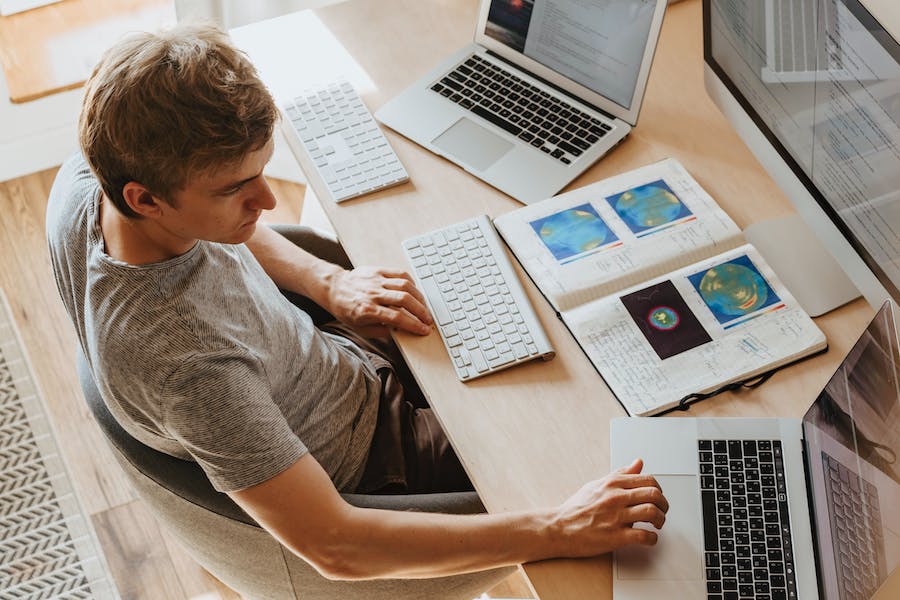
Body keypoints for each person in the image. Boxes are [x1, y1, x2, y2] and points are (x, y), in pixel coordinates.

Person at [47, 23, 669, 581]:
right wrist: (557, 530)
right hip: (377, 459)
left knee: (542, 305)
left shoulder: (94, 177)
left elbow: (231, 227)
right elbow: (336, 546)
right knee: (607, 441)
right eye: (236, 189)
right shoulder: (185, 364)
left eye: (263, 171)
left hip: (330, 360)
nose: (266, 202)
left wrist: (327, 284)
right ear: (145, 199)